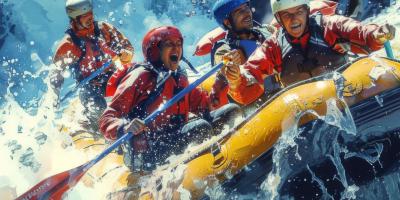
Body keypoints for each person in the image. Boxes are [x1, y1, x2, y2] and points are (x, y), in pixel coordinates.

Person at [99, 26, 241, 171]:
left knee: (231, 112)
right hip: (150, 151)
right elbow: (106, 119)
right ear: (155, 51)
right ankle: (207, 171)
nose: (176, 49)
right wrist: (125, 126)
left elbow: (209, 106)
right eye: (169, 44)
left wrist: (223, 78)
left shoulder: (179, 76)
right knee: (200, 128)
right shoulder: (140, 77)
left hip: (176, 136)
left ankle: (231, 160)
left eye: (178, 44)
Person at [221, 0, 396, 105]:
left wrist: (376, 34)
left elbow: (360, 32)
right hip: (306, 110)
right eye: (286, 15)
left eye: (298, 11)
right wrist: (236, 80)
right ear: (279, 19)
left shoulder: (329, 25)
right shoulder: (273, 46)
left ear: (307, 11)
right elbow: (251, 74)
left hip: (348, 96)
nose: (294, 19)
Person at [50, 0, 134, 132]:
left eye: (91, 13)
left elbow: (126, 47)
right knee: (97, 107)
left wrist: (126, 54)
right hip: (89, 86)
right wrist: (54, 95)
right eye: (85, 16)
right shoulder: (69, 44)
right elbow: (56, 73)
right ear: (75, 19)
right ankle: (94, 124)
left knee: (134, 87)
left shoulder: (104, 29)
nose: (90, 17)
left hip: (111, 77)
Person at [211, 0, 279, 107]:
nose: (247, 13)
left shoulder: (267, 30)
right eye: (239, 11)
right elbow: (225, 63)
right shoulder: (223, 50)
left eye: (246, 8)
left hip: (281, 91)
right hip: (256, 106)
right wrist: (231, 65)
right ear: (227, 22)